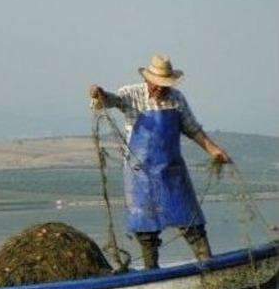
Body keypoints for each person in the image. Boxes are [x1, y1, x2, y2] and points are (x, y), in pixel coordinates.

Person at [89, 54, 231, 269]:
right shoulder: (131, 94)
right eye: (156, 84)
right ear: (147, 80)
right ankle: (151, 271)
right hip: (140, 175)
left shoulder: (177, 99)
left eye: (164, 85)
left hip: (172, 173)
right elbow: (109, 101)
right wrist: (99, 94)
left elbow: (193, 129)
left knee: (192, 224)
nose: (159, 89)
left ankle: (209, 266)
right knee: (146, 230)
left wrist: (214, 150)